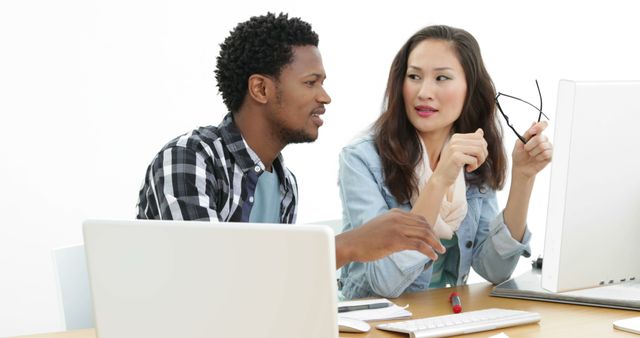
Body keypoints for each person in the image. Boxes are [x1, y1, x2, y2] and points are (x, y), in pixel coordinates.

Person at [135, 13, 445, 269]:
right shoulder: (190, 158)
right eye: (311, 83)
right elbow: (208, 276)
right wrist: (348, 246)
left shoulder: (285, 185)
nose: (325, 97)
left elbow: (271, 287)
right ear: (260, 89)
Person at [337, 25, 553, 299]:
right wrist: (439, 180)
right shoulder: (361, 159)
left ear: (469, 89)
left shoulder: (471, 151)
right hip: (377, 320)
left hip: (444, 316)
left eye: (441, 78)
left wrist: (524, 177)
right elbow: (385, 282)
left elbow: (494, 269)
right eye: (414, 76)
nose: (424, 92)